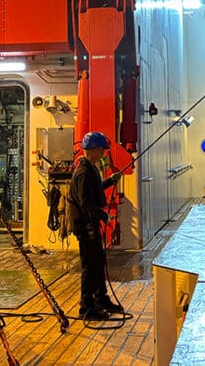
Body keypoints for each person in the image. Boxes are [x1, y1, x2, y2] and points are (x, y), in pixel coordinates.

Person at [68, 131, 123, 320]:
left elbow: (94, 191)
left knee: (98, 264)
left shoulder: (91, 169)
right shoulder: (84, 172)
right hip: (85, 227)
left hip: (91, 224)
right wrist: (104, 216)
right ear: (92, 150)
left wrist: (111, 181)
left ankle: (102, 299)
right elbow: (85, 202)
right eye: (101, 151)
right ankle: (87, 308)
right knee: (89, 267)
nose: (103, 155)